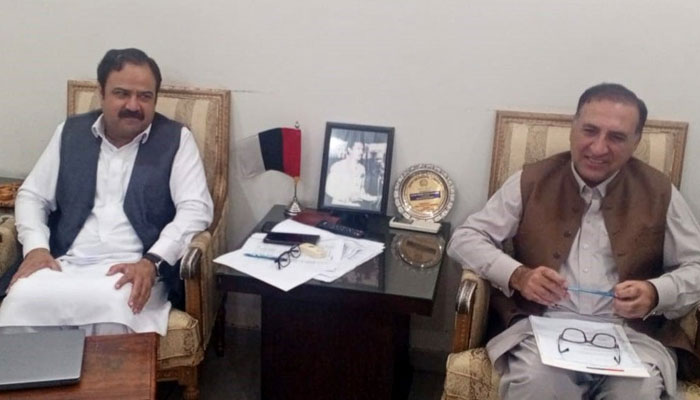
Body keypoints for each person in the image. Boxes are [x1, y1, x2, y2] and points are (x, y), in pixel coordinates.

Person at [447, 83, 700, 399]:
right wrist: (518, 276)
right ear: (573, 128)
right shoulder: (533, 179)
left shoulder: (659, 191)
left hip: (631, 334)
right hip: (542, 327)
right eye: (590, 131)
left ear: (636, 141)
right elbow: (465, 238)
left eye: (616, 137)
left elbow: (696, 266)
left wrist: (655, 292)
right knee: (537, 382)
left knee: (639, 391)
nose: (598, 147)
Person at [0, 48, 213, 336]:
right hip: (65, 263)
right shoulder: (71, 133)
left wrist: (153, 261)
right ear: (101, 93)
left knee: (114, 305)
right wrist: (36, 248)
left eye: (145, 96)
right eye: (122, 94)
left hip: (134, 267)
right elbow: (32, 196)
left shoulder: (176, 139)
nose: (133, 105)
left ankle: (108, 370)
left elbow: (196, 209)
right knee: (20, 300)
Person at [324, 139, 378, 207]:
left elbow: (361, 192)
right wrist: (347, 197)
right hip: (339, 206)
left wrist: (373, 198)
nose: (361, 152)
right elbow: (329, 189)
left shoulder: (362, 169)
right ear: (350, 150)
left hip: (357, 206)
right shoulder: (337, 166)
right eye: (358, 149)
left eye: (362, 149)